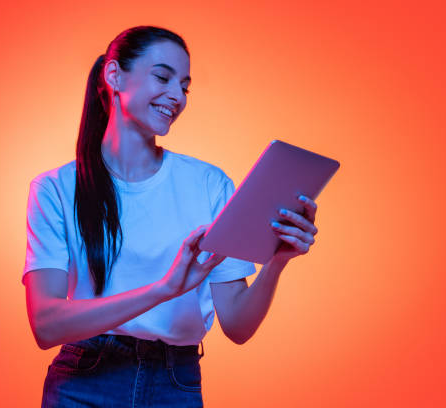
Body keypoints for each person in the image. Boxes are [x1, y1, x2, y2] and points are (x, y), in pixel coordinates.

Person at [22, 25, 319, 408]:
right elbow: (46, 325)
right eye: (163, 77)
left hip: (174, 384)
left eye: (185, 85)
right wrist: (162, 289)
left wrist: (277, 262)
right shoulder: (55, 189)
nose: (177, 96)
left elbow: (238, 326)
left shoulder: (209, 185)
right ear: (114, 75)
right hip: (84, 382)